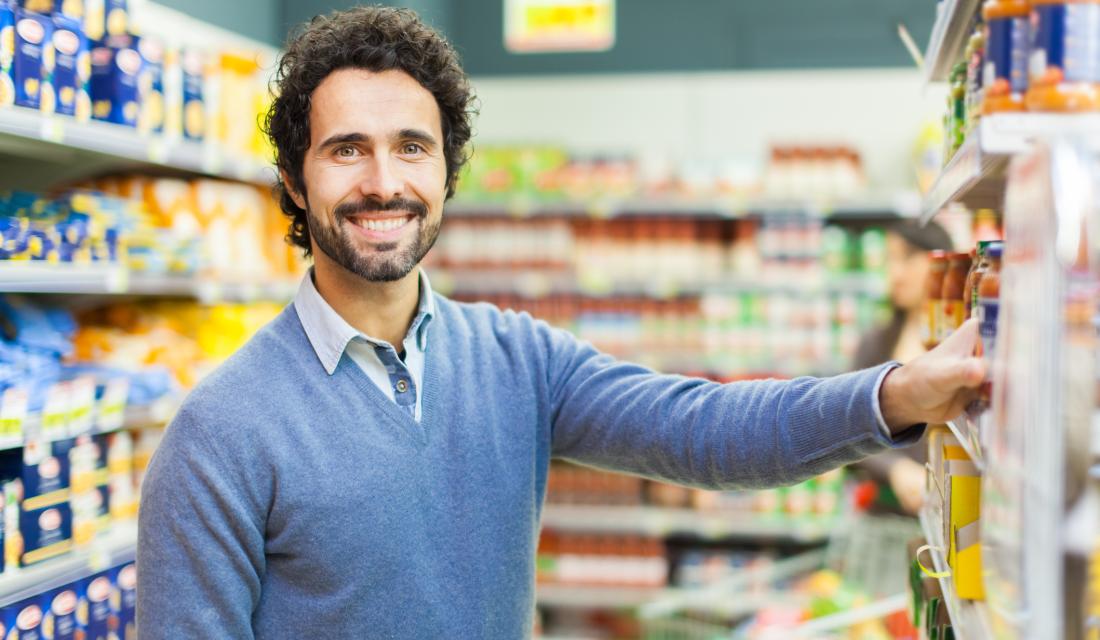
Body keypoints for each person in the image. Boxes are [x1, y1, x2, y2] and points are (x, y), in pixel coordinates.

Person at [136, 7, 985, 637]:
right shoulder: (221, 432)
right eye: (346, 149)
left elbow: (710, 431)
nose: (382, 181)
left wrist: (904, 391)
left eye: (412, 147)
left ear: (447, 172)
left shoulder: (518, 360)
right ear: (294, 179)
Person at [852, 221, 954, 515]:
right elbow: (846, 430)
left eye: (907, 257)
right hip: (882, 517)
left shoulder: (962, 340)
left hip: (951, 518)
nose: (895, 273)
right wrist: (894, 468)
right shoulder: (876, 342)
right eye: (890, 259)